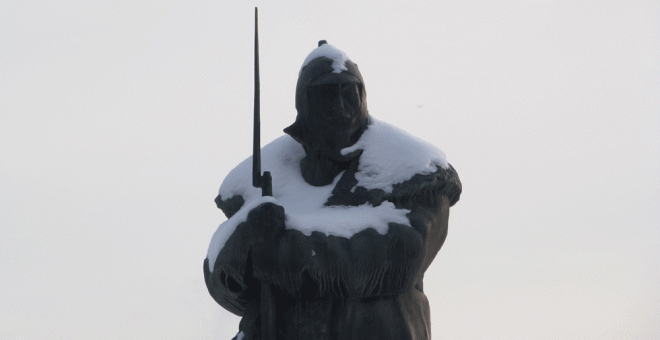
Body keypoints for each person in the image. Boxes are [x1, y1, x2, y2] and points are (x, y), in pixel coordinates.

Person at [204, 41, 461, 340]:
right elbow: (229, 289)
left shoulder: (414, 176)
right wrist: (245, 243)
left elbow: (392, 260)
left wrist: (282, 249)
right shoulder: (258, 187)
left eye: (348, 95)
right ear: (305, 105)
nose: (339, 109)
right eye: (326, 96)